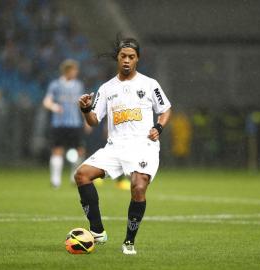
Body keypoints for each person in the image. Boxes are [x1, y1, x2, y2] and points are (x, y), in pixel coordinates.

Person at [74, 37, 171, 255]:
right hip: (115, 146)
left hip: (143, 145)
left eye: (131, 57)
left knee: (138, 187)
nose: (126, 60)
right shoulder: (107, 88)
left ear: (137, 59)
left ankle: (129, 241)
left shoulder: (149, 84)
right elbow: (93, 121)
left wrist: (159, 127)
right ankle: (97, 231)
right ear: (117, 58)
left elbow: (165, 109)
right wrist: (86, 109)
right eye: (123, 56)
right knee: (81, 175)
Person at [43, 59, 86, 188]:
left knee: (79, 151)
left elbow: (82, 105)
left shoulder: (78, 85)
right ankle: (55, 180)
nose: (76, 72)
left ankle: (74, 176)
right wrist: (54, 107)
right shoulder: (55, 85)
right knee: (57, 150)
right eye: (74, 70)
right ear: (67, 71)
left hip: (75, 123)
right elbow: (46, 101)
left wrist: (86, 120)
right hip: (59, 124)